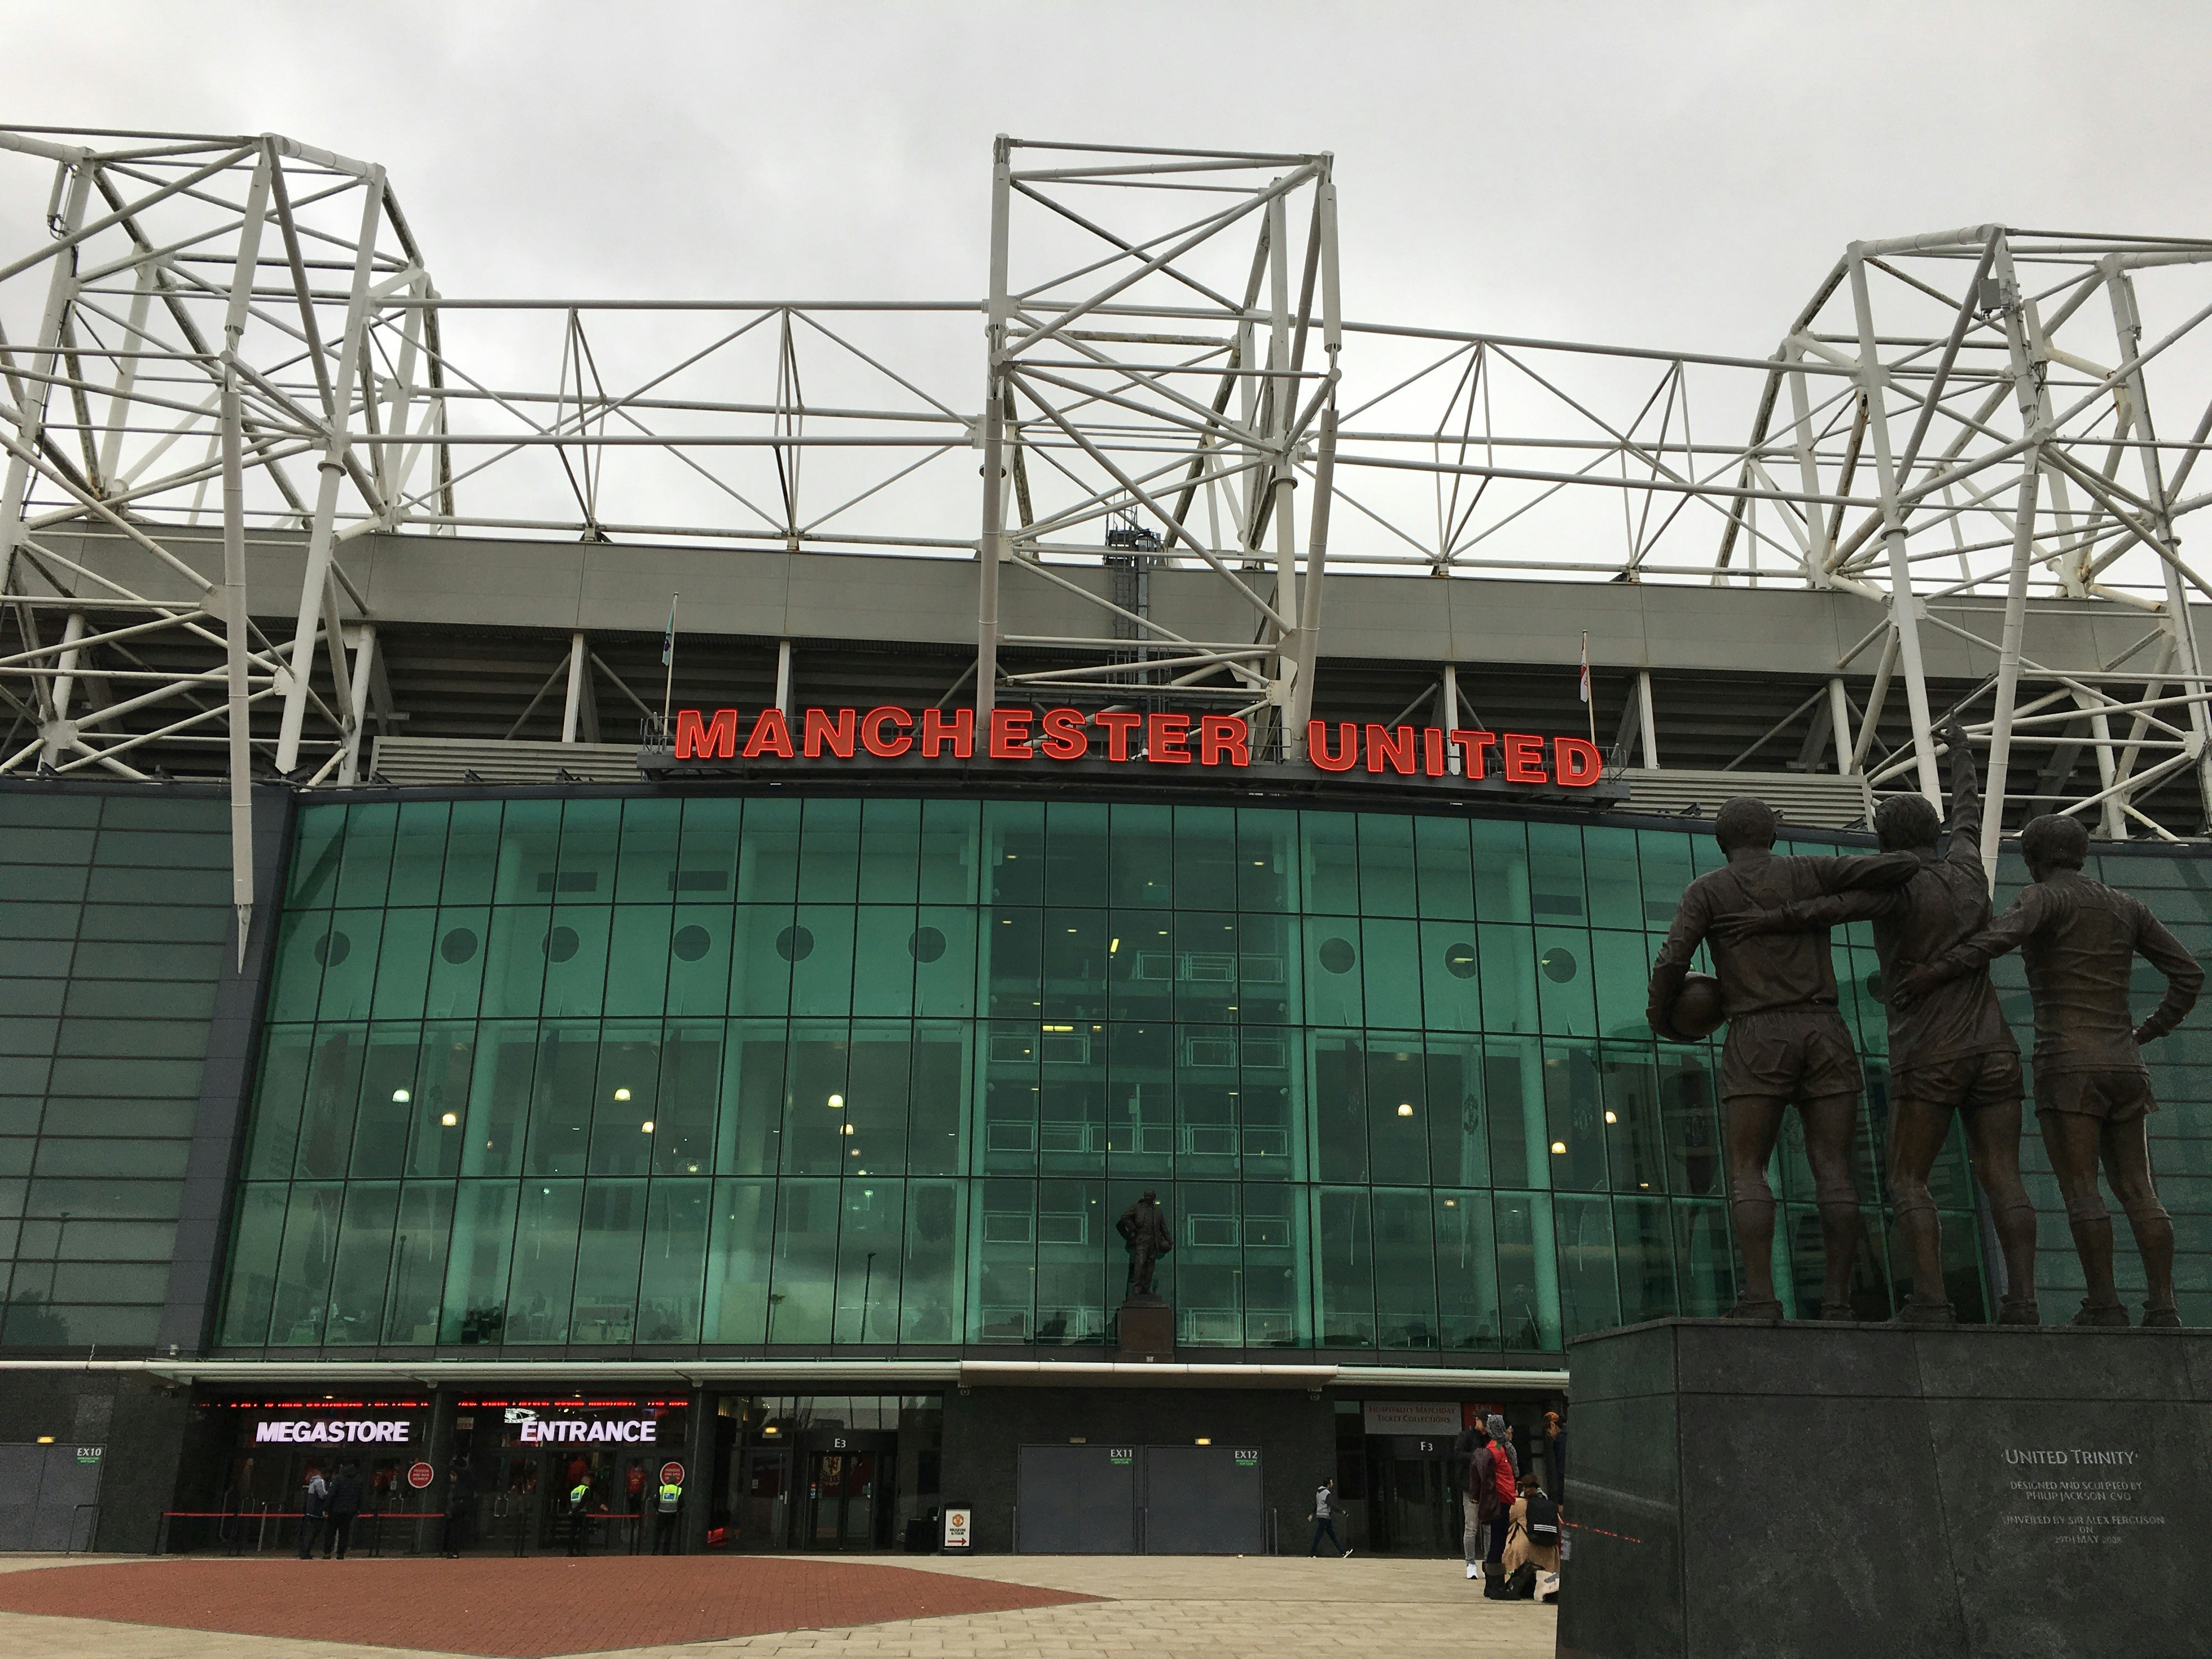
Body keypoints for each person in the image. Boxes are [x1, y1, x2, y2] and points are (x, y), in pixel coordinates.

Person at [1712, 717, 2039, 1324]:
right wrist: (1962, 754)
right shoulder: (1969, 867)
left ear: (1883, 843)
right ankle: (2022, 1302)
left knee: (1909, 1177)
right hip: (1996, 1047)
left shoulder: (1899, 887)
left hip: (1930, 1051)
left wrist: (1765, 922)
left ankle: (1932, 1301)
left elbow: (1832, 908)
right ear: (1935, 831)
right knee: (2003, 1175)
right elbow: (1968, 814)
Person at [1894, 811, 2203, 1327]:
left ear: (2035, 859)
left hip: (2069, 1064)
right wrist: (2147, 1031)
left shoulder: (2043, 898)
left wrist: (1935, 972)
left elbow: (1995, 939)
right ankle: (2163, 1305)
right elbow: (2188, 975)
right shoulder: (2128, 906)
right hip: (2127, 1065)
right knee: (2139, 1189)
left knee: (2083, 1189)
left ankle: (2104, 1304)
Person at [1647, 799, 1919, 1318]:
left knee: (1748, 1169)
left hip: (1757, 1032)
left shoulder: (1708, 889)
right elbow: (1904, 865)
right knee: (1835, 1170)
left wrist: (1661, 1018)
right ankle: (1838, 1302)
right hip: (1824, 1027)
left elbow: (1673, 960)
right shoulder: (1810, 870)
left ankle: (1760, 1297)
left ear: (1722, 843)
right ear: (1773, 834)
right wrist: (1818, 907)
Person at [1503, 1476, 1562, 1577]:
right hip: (1549, 1551)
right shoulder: (1550, 1506)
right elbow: (1560, 1525)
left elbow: (1506, 1519)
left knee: (1516, 1579)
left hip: (1525, 1550)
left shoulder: (1519, 1504)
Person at [323, 1460, 365, 1559]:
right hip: (349, 1510)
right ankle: (341, 1553)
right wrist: (358, 1508)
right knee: (344, 1532)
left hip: (335, 1509)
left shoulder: (338, 1479)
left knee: (330, 1531)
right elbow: (360, 1496)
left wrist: (326, 1508)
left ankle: (327, 1553)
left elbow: (332, 1494)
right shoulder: (358, 1480)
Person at [442, 1459, 477, 1557]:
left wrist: (452, 1465)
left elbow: (460, 1471)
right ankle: (455, 1549)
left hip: (461, 1502)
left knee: (456, 1526)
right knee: (460, 1526)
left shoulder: (466, 1475)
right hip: (466, 1502)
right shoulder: (470, 1478)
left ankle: (454, 1551)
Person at [1308, 1477, 1350, 1558]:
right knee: (1319, 1535)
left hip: (1321, 1516)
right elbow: (1332, 1505)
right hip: (1325, 1516)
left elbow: (1316, 1505)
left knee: (1332, 1536)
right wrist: (1343, 1512)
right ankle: (1312, 1554)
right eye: (1331, 1482)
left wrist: (1312, 1514)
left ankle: (1343, 1552)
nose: (1333, 1484)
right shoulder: (1327, 1493)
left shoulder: (1318, 1493)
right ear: (1328, 1484)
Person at [297, 1465, 328, 1559]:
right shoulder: (320, 1482)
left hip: (311, 1511)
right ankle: (306, 1552)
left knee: (310, 1532)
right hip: (317, 1512)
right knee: (314, 1533)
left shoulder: (312, 1482)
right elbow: (323, 1495)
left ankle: (304, 1552)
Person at [654, 1469, 684, 1554]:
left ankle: (655, 1551)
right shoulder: (678, 1490)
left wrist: (658, 1509)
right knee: (669, 1533)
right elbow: (682, 1503)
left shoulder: (662, 1489)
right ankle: (665, 1552)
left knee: (658, 1533)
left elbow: (656, 1501)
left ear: (667, 1481)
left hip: (662, 1513)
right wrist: (677, 1510)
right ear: (676, 1482)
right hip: (672, 1514)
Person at [565, 1472, 593, 1556]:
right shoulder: (586, 1489)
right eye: (589, 1482)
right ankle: (581, 1551)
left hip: (573, 1514)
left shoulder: (575, 1490)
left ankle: (570, 1551)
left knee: (572, 1533)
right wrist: (576, 1510)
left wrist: (571, 1510)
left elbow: (568, 1501)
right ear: (587, 1482)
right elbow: (584, 1502)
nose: (589, 1483)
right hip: (582, 1513)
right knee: (583, 1533)